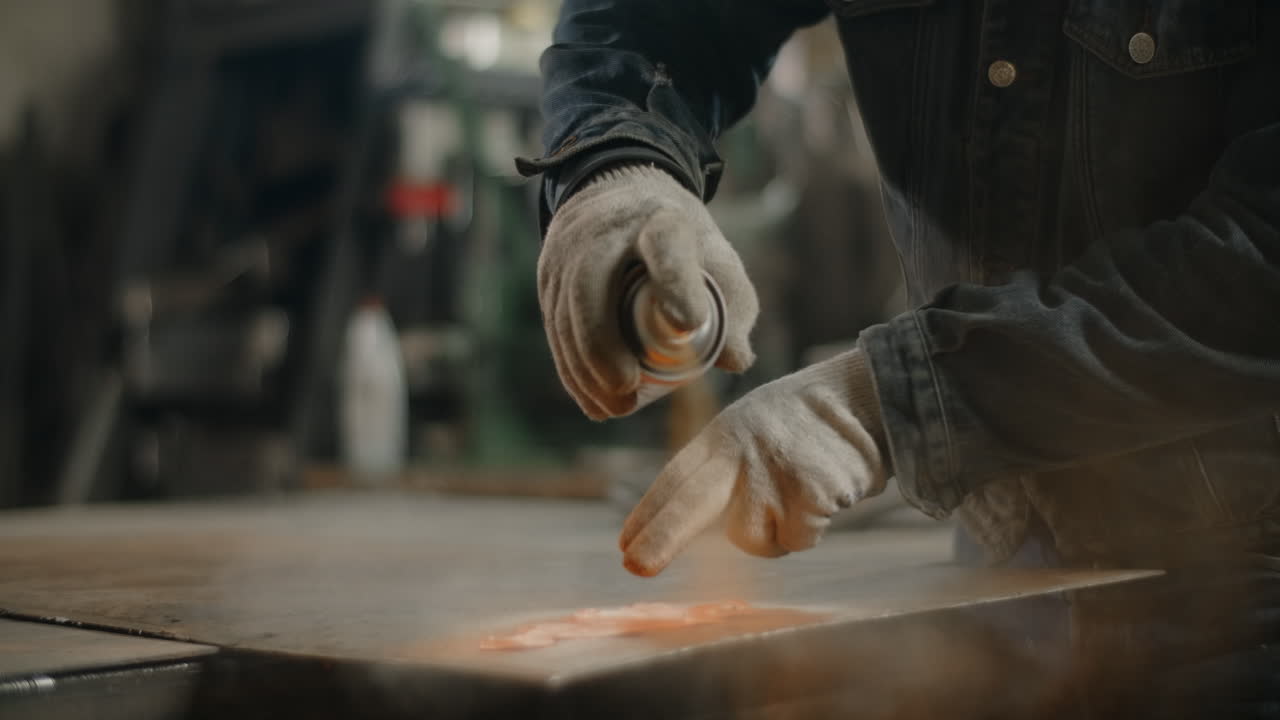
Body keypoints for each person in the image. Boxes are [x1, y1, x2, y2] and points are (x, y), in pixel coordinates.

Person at [517, 2, 1280, 716]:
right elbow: (658, 24)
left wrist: (891, 404)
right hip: (1002, 561)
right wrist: (618, 170)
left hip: (1246, 596)